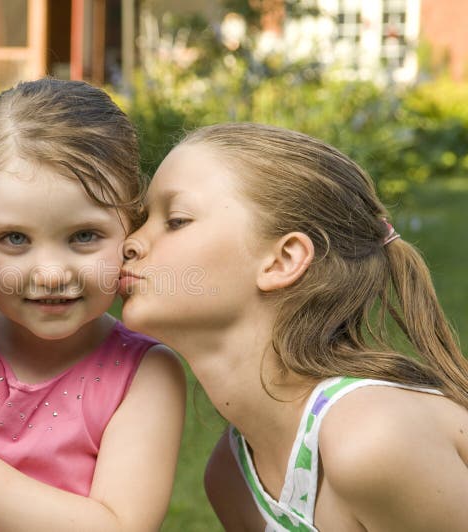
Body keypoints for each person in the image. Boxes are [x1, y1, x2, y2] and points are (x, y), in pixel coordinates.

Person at [118, 122, 468, 531]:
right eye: (142, 219)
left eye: (175, 220)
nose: (130, 241)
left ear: (282, 260)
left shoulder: (374, 440)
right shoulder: (231, 476)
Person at [0, 78, 187, 531]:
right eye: (15, 239)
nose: (50, 275)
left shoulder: (146, 374)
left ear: (132, 228)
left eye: (84, 236)